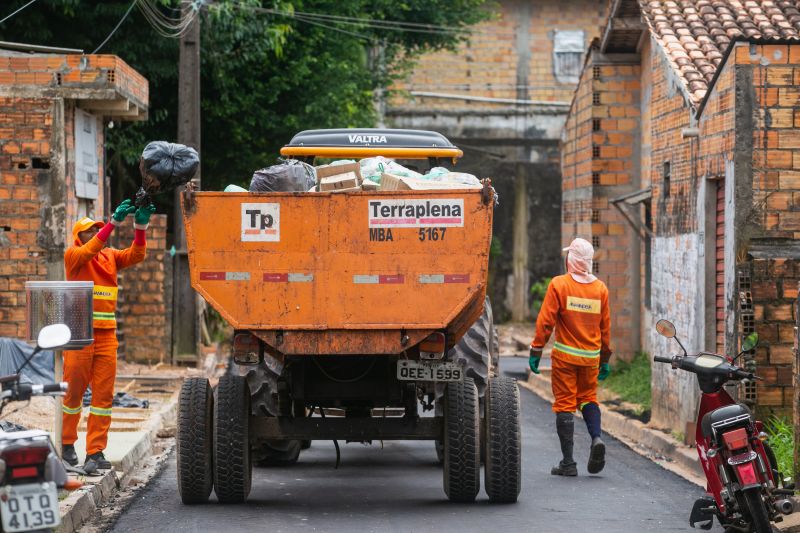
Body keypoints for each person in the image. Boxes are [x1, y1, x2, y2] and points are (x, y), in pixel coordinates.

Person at [61, 199, 156, 474]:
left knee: (103, 398)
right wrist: (113, 223)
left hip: (106, 338)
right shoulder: (74, 257)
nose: (96, 233)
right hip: (78, 335)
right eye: (90, 230)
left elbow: (137, 254)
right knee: (73, 393)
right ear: (79, 237)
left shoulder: (110, 256)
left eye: (98, 229)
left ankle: (95, 452)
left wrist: (140, 225)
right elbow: (91, 248)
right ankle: (67, 445)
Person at [529, 237, 612, 477]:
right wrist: (604, 359)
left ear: (571, 259)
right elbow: (605, 329)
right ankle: (596, 438)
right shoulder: (600, 290)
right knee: (588, 398)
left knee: (565, 404)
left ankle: (568, 462)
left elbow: (546, 322)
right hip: (590, 358)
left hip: (565, 358)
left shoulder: (559, 285)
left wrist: (536, 351)